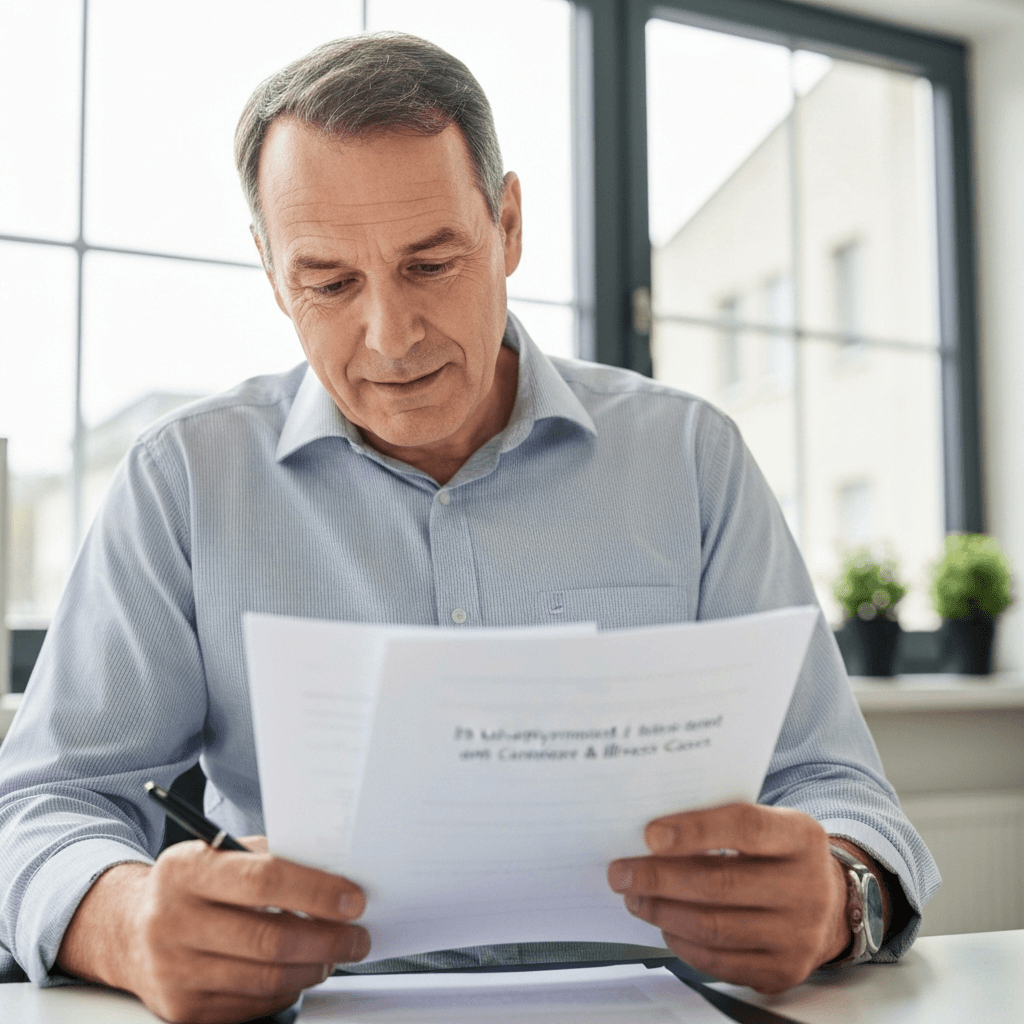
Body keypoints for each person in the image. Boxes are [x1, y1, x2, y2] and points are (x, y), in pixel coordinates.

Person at [0, 31, 938, 1024]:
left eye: (430, 262)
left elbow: (829, 779)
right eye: (329, 282)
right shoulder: (185, 480)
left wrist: (844, 893)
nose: (390, 337)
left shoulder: (691, 459)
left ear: (508, 225)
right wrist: (129, 917)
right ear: (273, 275)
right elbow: (42, 803)